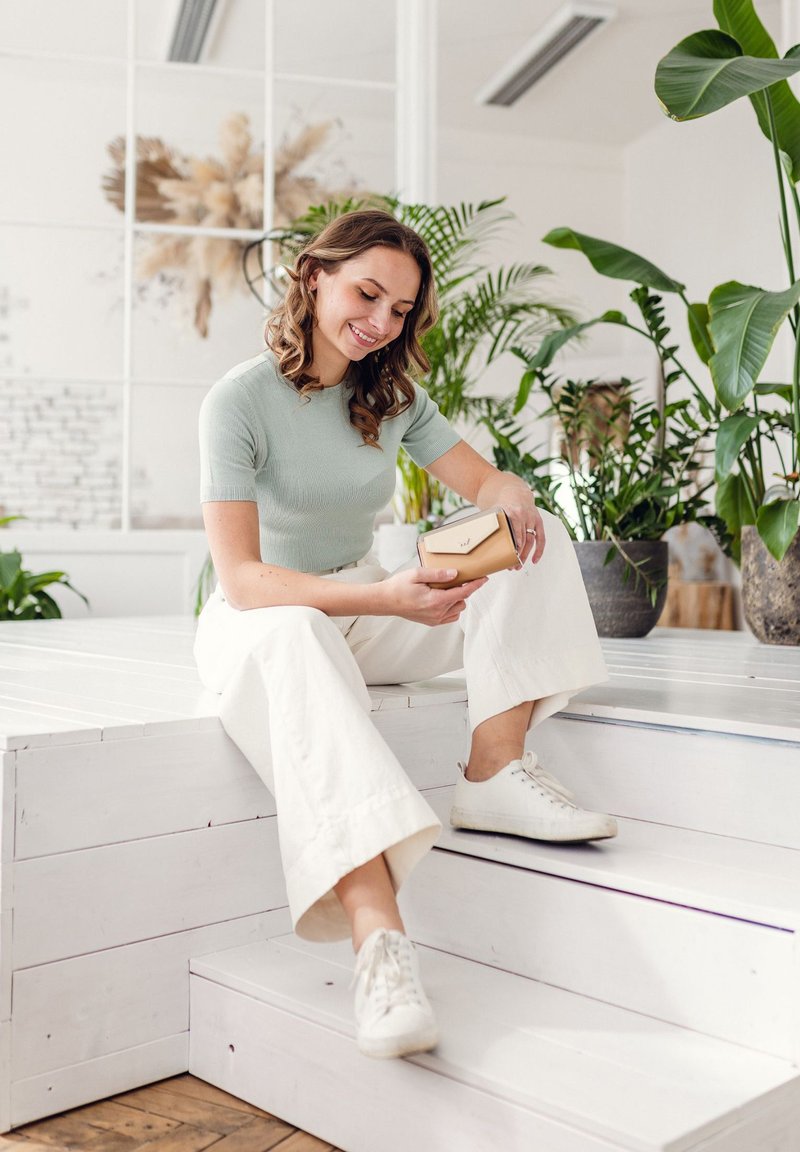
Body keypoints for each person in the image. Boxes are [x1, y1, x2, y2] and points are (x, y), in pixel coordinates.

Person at [194, 209, 615, 1063]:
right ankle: (379, 947)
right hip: (261, 620)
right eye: (367, 293)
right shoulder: (238, 400)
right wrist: (386, 598)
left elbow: (486, 481)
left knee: (531, 546)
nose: (381, 321)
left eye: (400, 308)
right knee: (297, 635)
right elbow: (242, 580)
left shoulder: (391, 398)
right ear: (315, 277)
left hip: (361, 601)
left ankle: (494, 770)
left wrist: (511, 497)